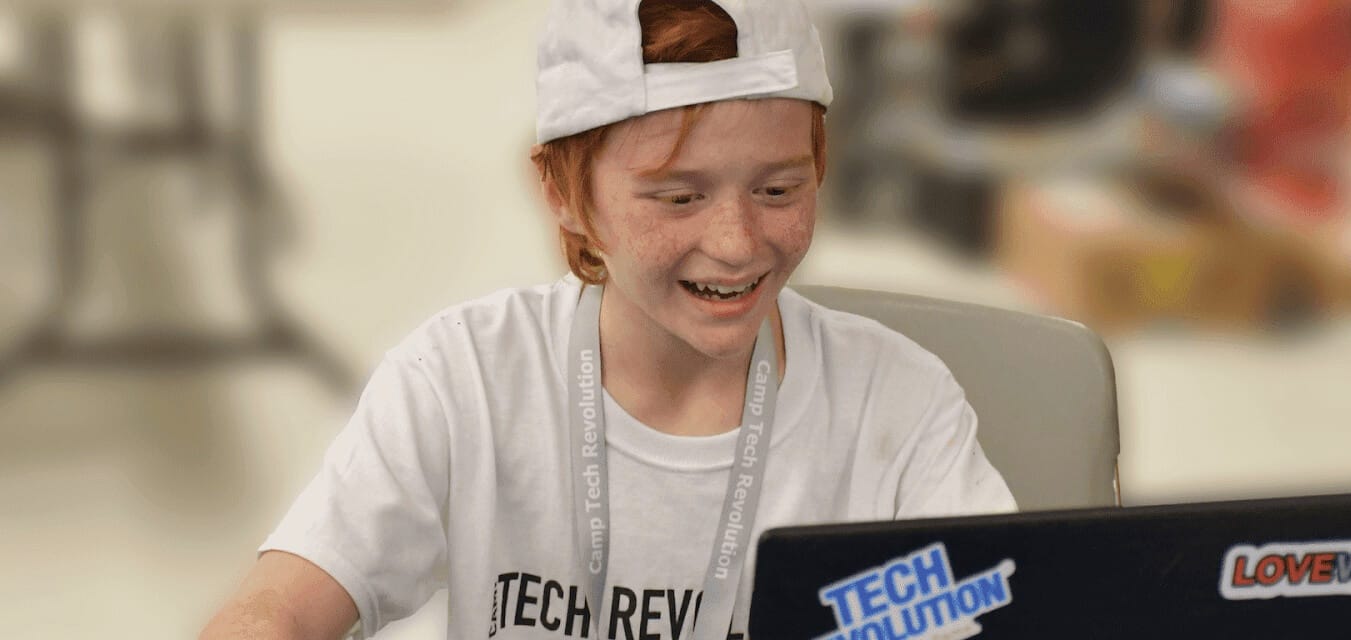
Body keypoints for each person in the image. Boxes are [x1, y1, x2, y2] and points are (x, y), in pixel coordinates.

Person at [201, 1, 1014, 638]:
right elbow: (279, 606)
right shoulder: (465, 381)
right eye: (678, 196)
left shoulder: (899, 408)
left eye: (779, 190)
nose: (736, 244)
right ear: (564, 194)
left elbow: (1004, 614)